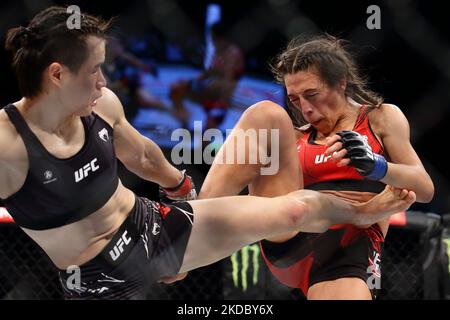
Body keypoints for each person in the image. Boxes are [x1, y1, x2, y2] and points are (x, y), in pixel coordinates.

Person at [0, 7, 415, 299]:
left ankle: (359, 213)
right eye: (94, 70)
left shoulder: (102, 105)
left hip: (153, 228)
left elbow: (143, 156)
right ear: (57, 75)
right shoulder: (8, 145)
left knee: (291, 210)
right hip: (96, 280)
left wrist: (179, 184)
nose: (103, 80)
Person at [199, 35, 434, 299]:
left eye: (312, 94)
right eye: (296, 99)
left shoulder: (380, 119)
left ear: (340, 82)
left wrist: (376, 166)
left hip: (348, 250)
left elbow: (424, 188)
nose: (306, 109)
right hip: (292, 234)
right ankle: (188, 225)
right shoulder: (295, 138)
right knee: (266, 115)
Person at [169, 21, 245, 129]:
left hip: (221, 97)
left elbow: (228, 82)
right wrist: (190, 82)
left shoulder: (233, 53)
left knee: (207, 134)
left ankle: (209, 125)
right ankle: (185, 121)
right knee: (176, 88)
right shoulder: (218, 50)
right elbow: (207, 73)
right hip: (208, 90)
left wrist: (221, 100)